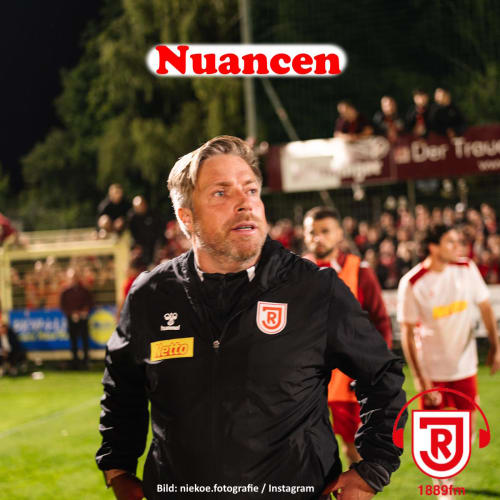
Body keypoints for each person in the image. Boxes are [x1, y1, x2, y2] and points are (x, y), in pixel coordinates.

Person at [96, 136, 406, 500]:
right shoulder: (150, 295)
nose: (245, 203)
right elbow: (122, 389)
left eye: (251, 190)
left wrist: (373, 469)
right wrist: (118, 469)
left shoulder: (314, 289)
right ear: (186, 218)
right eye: (221, 193)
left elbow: (382, 377)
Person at [302, 206, 393, 466]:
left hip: (349, 381)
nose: (318, 237)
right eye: (312, 232)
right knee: (309, 454)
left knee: (356, 450)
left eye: (325, 231)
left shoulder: (360, 271)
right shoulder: (297, 272)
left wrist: (377, 371)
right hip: (309, 381)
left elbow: (381, 321)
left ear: (339, 234)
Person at [397, 224, 500, 422]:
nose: (458, 246)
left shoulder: (467, 268)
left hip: (465, 368)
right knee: (431, 435)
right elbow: (407, 334)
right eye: (450, 242)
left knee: (467, 430)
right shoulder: (412, 282)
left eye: (458, 241)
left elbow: (486, 308)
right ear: (433, 247)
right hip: (432, 372)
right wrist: (420, 378)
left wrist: (496, 347)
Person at [60, 268, 93, 369]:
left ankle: (86, 361)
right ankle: (75, 361)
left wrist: (84, 312)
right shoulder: (65, 291)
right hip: (71, 319)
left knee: (84, 340)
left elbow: (90, 303)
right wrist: (71, 314)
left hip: (83, 319)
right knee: (73, 340)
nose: (74, 279)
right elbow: (63, 306)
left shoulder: (85, 290)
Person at [127, 195, 166, 266]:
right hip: (141, 243)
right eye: (137, 207)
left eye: (141, 205)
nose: (140, 208)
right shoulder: (132, 217)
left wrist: (160, 242)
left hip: (154, 240)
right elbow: (132, 232)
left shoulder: (153, 213)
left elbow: (160, 228)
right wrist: (136, 245)